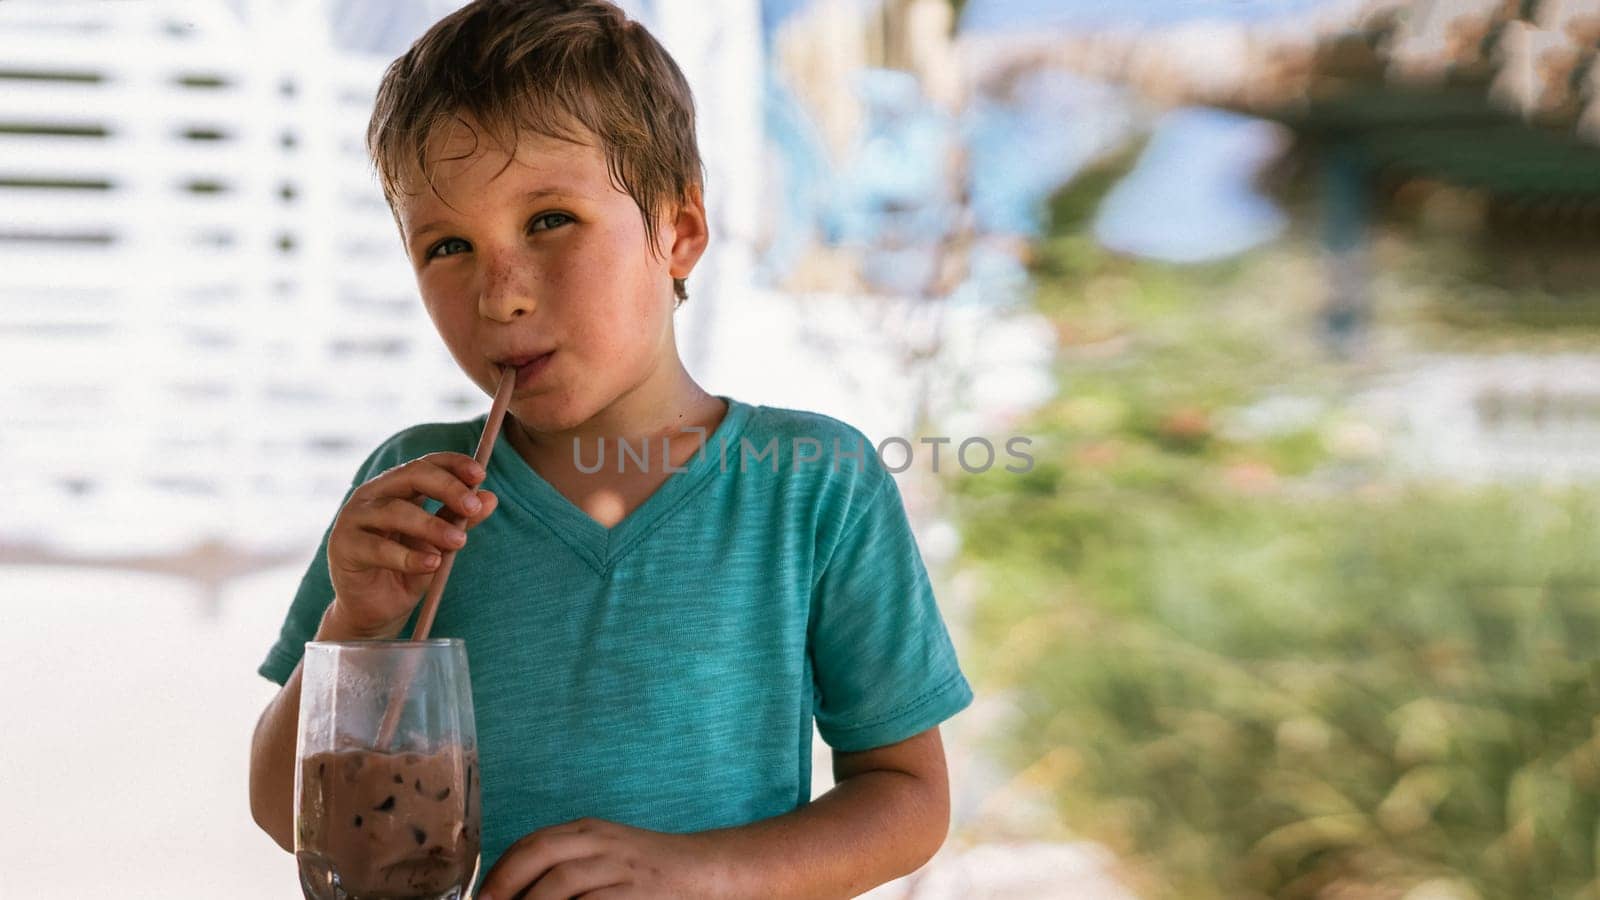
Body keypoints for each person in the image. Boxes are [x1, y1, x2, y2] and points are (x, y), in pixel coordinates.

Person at [247, 1, 972, 896]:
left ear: (678, 233)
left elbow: (908, 798)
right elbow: (288, 814)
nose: (500, 293)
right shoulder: (413, 502)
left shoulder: (814, 483)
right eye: (447, 246)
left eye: (550, 220)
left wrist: (698, 875)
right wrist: (355, 627)